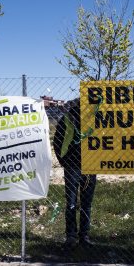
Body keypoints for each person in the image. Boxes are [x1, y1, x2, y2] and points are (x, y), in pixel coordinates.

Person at [52, 99, 97, 250]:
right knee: (73, 202)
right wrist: (63, 161)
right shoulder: (67, 118)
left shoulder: (95, 118)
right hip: (72, 166)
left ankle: (83, 236)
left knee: (85, 203)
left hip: (89, 165)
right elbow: (57, 141)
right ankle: (72, 236)